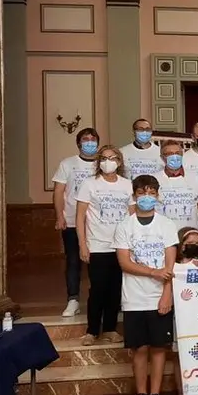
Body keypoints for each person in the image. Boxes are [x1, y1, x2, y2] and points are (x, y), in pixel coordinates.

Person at [113, 174, 178, 395]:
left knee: (159, 348)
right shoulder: (124, 226)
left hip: (158, 297)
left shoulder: (167, 225)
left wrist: (166, 295)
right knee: (139, 348)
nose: (147, 197)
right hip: (134, 298)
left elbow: (170, 266)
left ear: (157, 195)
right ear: (134, 195)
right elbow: (124, 262)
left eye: (151, 193)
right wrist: (152, 271)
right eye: (142, 193)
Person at [75, 145, 131, 346]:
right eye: (105, 158)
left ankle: (110, 328)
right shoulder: (89, 184)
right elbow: (80, 216)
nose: (109, 161)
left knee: (115, 289)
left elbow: (132, 216)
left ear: (119, 161)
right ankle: (92, 330)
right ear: (99, 162)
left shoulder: (127, 185)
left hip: (121, 246)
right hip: (97, 245)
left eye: (113, 157)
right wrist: (82, 244)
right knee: (98, 288)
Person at [52, 127, 100, 317]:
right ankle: (73, 299)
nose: (89, 142)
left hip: (97, 223)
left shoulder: (103, 164)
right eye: (85, 139)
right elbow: (58, 191)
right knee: (73, 261)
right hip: (72, 220)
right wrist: (60, 216)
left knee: (98, 263)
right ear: (79, 143)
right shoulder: (68, 164)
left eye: (93, 139)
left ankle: (98, 299)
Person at [169, 227, 198, 395]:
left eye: (196, 244)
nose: (192, 247)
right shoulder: (172, 266)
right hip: (179, 319)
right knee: (179, 357)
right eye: (188, 243)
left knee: (197, 356)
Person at [152, 141, 198, 231]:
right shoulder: (154, 179)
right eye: (169, 154)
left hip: (190, 234)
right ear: (162, 158)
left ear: (182, 155)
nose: (174, 156)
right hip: (163, 233)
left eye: (177, 153)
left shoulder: (195, 177)